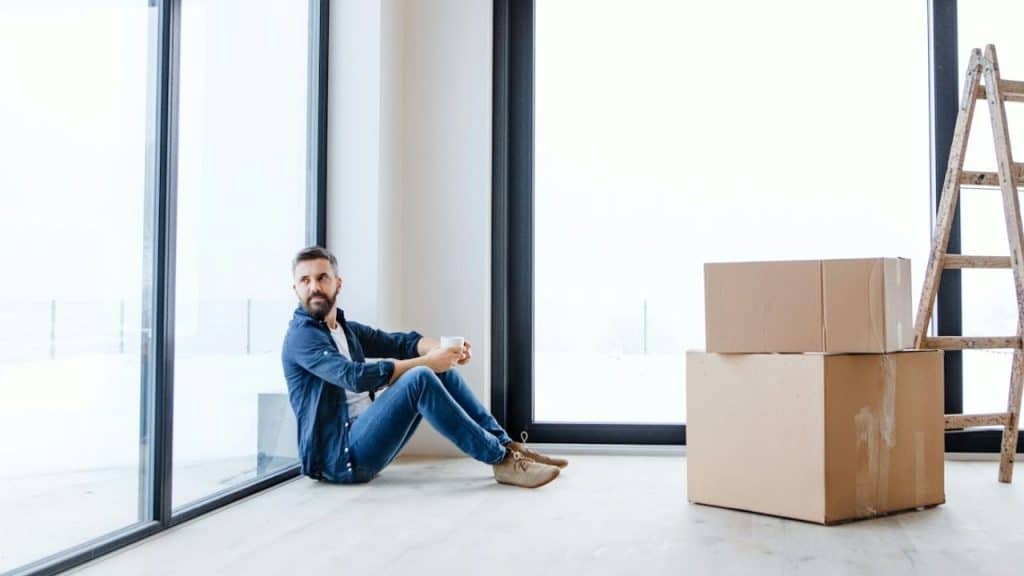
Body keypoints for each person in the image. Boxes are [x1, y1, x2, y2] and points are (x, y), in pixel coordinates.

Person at [281, 246, 567, 488]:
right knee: (420, 375)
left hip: (365, 439)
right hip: (340, 459)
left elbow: (399, 342)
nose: (314, 287)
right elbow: (354, 378)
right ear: (295, 289)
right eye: (305, 281)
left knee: (435, 370)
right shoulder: (302, 337)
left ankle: (507, 447)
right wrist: (427, 362)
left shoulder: (344, 329)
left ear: (337, 283)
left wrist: (441, 351)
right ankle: (501, 460)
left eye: (322, 278)